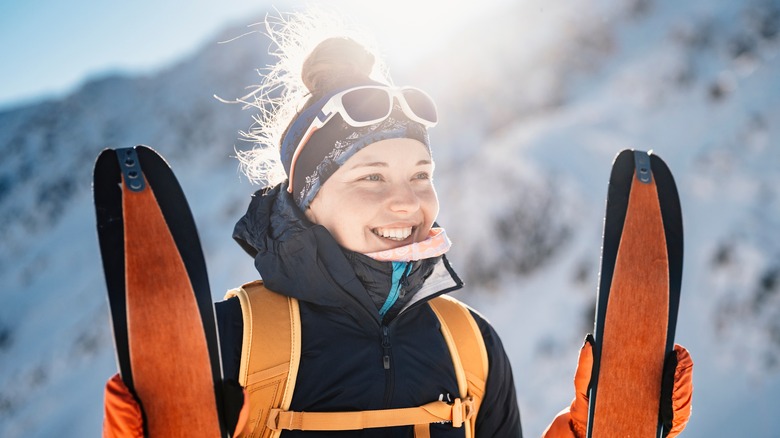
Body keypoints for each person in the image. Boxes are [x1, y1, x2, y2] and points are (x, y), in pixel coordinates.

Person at [102, 13, 693, 438]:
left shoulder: (470, 347)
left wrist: (593, 427)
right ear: (307, 199)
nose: (407, 203)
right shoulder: (231, 343)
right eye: (371, 178)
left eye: (420, 174)